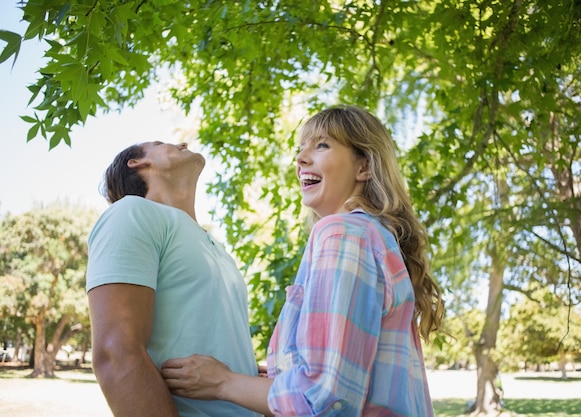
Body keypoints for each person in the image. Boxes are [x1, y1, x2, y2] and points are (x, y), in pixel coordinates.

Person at [160, 106, 445, 416]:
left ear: (364, 167)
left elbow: (322, 399)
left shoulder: (342, 234)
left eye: (321, 145)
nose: (301, 159)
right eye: (301, 149)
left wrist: (222, 382)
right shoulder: (371, 235)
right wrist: (280, 378)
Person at [86, 141, 262, 417]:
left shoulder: (217, 248)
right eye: (159, 143)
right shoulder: (131, 212)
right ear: (137, 163)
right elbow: (114, 352)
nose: (182, 143)